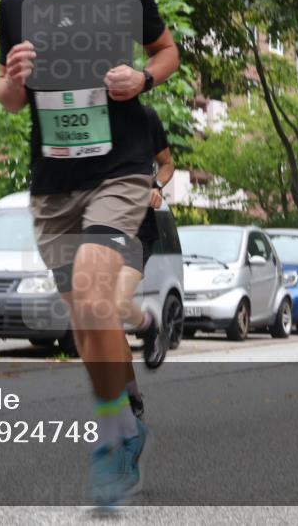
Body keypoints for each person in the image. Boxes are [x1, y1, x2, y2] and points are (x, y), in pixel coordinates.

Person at [0, 0, 179, 507]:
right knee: (86, 319)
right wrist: (14, 79)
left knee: (96, 294)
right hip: (53, 185)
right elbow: (9, 99)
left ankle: (113, 439)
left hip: (120, 168)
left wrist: (142, 78)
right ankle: (125, 404)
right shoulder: (15, 5)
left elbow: (167, 52)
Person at [117, 105, 173, 420]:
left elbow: (166, 164)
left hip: (136, 228)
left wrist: (157, 187)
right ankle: (132, 396)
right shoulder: (86, 120)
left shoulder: (146, 117)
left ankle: (148, 327)